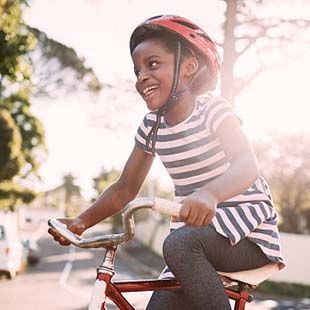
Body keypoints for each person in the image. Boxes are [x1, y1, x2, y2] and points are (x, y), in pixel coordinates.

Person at [49, 15, 285, 309]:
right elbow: (125, 188)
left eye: (153, 64)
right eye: (137, 70)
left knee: (179, 244)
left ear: (187, 68)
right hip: (191, 242)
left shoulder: (212, 110)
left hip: (246, 233)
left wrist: (210, 194)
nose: (141, 77)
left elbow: (246, 165)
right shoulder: (152, 126)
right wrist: (80, 221)